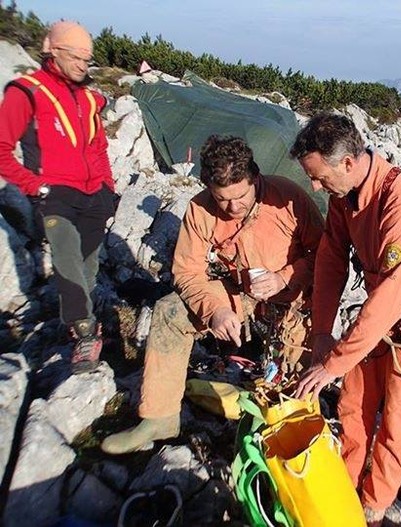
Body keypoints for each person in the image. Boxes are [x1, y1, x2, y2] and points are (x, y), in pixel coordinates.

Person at [101, 135, 324, 454]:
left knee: (292, 392)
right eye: (222, 200)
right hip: (243, 291)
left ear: (255, 178)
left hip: (295, 298)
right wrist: (214, 311)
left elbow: (325, 254)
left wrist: (283, 277)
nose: (233, 208)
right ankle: (159, 417)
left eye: (241, 197)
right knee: (170, 311)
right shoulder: (200, 209)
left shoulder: (288, 197)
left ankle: (290, 440)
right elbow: (187, 272)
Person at [290, 114, 401, 526]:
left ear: (347, 163)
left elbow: (392, 295)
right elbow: (330, 259)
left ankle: (374, 504)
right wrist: (323, 332)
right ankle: (342, 485)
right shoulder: (344, 195)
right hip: (379, 320)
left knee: (397, 422)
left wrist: (333, 364)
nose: (314, 186)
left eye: (318, 176)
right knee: (352, 404)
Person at [0, 21, 116, 373]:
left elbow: (99, 147)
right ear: (53, 51)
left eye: (88, 58)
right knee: (67, 262)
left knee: (88, 267)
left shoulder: (87, 98)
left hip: (94, 193)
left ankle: (83, 316)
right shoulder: (27, 91)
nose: (84, 64)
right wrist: (32, 185)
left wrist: (108, 188)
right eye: (77, 57)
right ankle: (84, 334)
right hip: (55, 195)